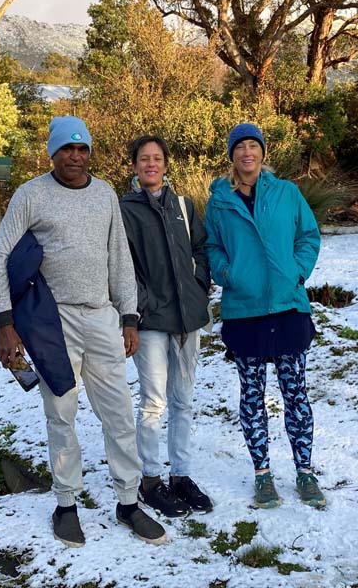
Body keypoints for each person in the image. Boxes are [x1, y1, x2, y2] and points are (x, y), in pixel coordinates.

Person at [0, 116, 168, 547]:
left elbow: (120, 259)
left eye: (82, 148)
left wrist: (129, 317)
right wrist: (5, 324)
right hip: (53, 321)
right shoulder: (32, 195)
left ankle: (128, 501)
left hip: (102, 317)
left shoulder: (104, 194)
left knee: (119, 414)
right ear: (52, 152)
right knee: (61, 413)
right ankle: (66, 503)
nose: (76, 156)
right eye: (67, 149)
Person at [203, 123, 326, 510]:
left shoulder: (287, 193)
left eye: (253, 146)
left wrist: (298, 271)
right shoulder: (219, 201)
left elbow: (309, 236)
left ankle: (305, 472)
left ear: (262, 153)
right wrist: (227, 274)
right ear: (231, 156)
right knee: (253, 397)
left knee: (296, 393)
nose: (247, 153)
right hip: (245, 311)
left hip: (289, 306)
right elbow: (211, 247)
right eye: (240, 147)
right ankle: (263, 476)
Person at [119, 136, 214, 518]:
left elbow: (201, 250)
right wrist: (143, 306)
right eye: (144, 159)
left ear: (166, 164)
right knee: (154, 403)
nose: (151, 165)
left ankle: (181, 476)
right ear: (135, 166)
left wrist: (199, 286)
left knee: (183, 401)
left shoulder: (183, 206)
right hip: (153, 322)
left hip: (188, 319)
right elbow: (123, 267)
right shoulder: (125, 210)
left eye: (157, 158)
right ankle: (151, 480)